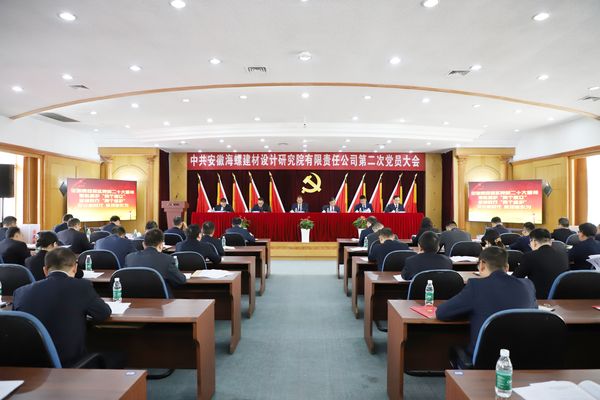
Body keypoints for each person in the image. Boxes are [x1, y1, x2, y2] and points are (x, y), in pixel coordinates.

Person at [13, 247, 111, 367]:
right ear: (75, 268)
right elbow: (103, 313)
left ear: (45, 270)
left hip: (29, 366)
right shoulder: (82, 286)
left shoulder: (20, 292)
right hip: (68, 365)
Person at [436, 246, 537, 357]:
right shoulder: (528, 285)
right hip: (523, 357)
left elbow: (442, 312)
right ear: (507, 267)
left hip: (486, 360)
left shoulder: (476, 286)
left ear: (482, 265)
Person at [124, 228, 186, 296]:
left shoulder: (129, 258)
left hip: (134, 300)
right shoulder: (167, 259)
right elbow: (181, 280)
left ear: (143, 244)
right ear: (161, 245)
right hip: (160, 300)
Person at [514, 228, 569, 299]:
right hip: (561, 299)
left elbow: (515, 278)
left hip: (539, 299)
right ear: (550, 242)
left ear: (534, 242)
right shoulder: (563, 255)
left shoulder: (530, 256)